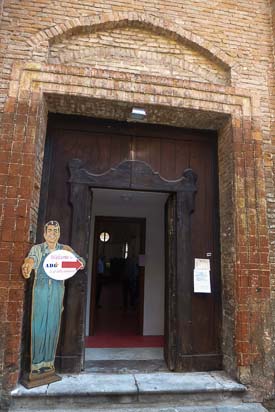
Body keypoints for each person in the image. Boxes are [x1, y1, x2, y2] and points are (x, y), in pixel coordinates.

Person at [21, 220, 85, 384]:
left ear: (59, 233)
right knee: (39, 326)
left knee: (52, 326)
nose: (52, 234)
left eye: (55, 231)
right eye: (49, 231)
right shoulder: (38, 249)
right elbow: (31, 260)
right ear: (44, 233)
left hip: (57, 291)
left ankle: (48, 364)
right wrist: (28, 265)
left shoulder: (62, 250)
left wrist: (73, 256)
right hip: (41, 291)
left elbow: (81, 263)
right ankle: (36, 365)